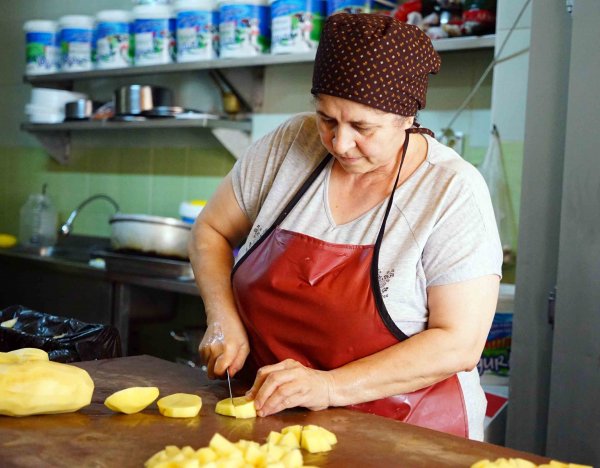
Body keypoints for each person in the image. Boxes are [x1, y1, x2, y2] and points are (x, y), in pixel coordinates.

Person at [189, 13, 502, 440]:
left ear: (406, 117)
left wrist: (330, 386)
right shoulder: (288, 145)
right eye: (327, 119)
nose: (339, 143)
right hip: (279, 424)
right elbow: (210, 231)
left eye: (362, 127)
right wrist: (222, 316)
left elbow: (459, 343)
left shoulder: (451, 190)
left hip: (411, 440)